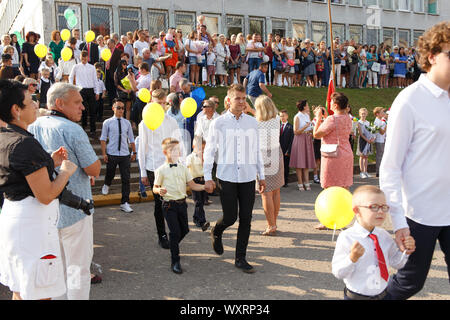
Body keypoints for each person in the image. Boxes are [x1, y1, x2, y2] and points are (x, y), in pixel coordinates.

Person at [380, 21, 450, 300]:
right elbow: (390, 166)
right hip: (419, 213)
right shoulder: (409, 100)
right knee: (410, 283)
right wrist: (398, 222)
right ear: (431, 56)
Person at [0, 80, 78, 300]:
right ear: (16, 110)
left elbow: (18, 175)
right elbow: (45, 195)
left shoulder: (6, 137)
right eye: (30, 101)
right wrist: (65, 171)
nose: (36, 105)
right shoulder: (24, 143)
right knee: (40, 293)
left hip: (16, 223)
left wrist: (48, 163)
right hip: (32, 229)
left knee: (21, 290)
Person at [28, 82, 100, 300]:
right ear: (59, 103)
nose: (83, 107)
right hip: (76, 212)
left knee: (54, 268)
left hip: (45, 210)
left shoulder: (32, 126)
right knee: (77, 269)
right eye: (77, 102)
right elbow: (94, 168)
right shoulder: (73, 130)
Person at [204, 84, 266, 274]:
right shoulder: (219, 123)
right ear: (228, 100)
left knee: (246, 218)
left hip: (247, 177)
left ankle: (240, 258)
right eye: (238, 98)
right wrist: (207, 177)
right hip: (227, 176)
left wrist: (261, 176)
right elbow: (209, 151)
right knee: (230, 217)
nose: (242, 102)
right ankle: (217, 230)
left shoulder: (253, 123)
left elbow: (256, 151)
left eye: (244, 98)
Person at [332, 185, 415, 300]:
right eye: (374, 207)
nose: (381, 211)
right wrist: (352, 258)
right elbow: (338, 272)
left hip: (384, 295)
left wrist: (405, 251)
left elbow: (396, 263)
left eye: (384, 207)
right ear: (357, 210)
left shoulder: (384, 236)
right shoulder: (347, 237)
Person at [138, 89, 183, 251]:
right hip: (153, 167)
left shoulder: (171, 121)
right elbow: (142, 149)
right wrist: (143, 172)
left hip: (170, 166)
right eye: (159, 103)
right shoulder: (144, 123)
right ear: (151, 102)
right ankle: (162, 234)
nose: (162, 106)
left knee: (172, 201)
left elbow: (178, 143)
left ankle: (174, 230)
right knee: (160, 203)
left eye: (165, 103)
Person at [153, 138, 206, 274]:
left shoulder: (183, 168)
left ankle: (173, 245)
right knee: (175, 232)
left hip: (182, 204)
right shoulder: (161, 170)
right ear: (165, 152)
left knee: (185, 230)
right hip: (169, 205)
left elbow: (192, 185)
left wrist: (205, 186)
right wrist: (159, 190)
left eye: (177, 150)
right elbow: (155, 187)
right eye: (172, 150)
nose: (176, 152)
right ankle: (175, 261)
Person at [313, 92, 353, 230]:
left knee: (329, 187)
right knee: (344, 187)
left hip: (333, 155)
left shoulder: (331, 119)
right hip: (346, 153)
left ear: (335, 105)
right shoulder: (348, 118)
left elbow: (316, 134)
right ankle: (344, 219)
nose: (329, 104)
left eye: (331, 103)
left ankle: (327, 219)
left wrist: (318, 118)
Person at [254, 95, 284, 236]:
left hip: (263, 156)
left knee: (266, 193)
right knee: (276, 191)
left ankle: (271, 224)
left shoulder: (256, 123)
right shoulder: (277, 119)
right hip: (276, 153)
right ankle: (274, 222)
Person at [100, 98, 136, 213]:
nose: (121, 110)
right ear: (113, 108)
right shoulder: (107, 123)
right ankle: (107, 184)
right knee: (110, 173)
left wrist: (134, 152)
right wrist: (104, 153)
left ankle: (125, 202)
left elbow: (131, 138)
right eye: (118, 108)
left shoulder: (127, 123)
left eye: (122, 108)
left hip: (125, 154)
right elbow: (103, 139)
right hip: (112, 153)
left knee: (126, 179)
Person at [69, 51, 98, 137]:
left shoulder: (92, 67)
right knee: (83, 110)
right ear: (80, 58)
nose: (84, 60)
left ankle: (93, 130)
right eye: (82, 58)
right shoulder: (76, 66)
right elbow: (71, 77)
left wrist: (97, 92)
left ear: (87, 58)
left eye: (85, 58)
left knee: (93, 110)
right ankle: (84, 128)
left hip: (90, 90)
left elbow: (95, 80)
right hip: (81, 90)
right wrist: (73, 88)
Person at [289, 100, 316, 191]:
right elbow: (295, 131)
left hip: (307, 138)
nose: (308, 106)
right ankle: (300, 182)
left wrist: (311, 130)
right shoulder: (297, 117)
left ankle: (307, 182)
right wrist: (305, 127)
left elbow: (309, 127)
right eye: (307, 105)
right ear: (304, 107)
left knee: (306, 162)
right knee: (299, 162)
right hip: (300, 139)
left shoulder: (307, 115)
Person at [186, 138, 210, 231]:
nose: (202, 150)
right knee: (198, 201)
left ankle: (196, 218)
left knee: (202, 201)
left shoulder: (204, 157)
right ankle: (201, 221)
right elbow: (187, 166)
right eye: (200, 148)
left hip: (203, 180)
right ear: (193, 147)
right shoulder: (190, 157)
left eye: (203, 148)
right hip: (195, 181)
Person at [356, 108, 374, 179]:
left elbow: (371, 132)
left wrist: (372, 138)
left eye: (364, 113)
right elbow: (360, 133)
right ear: (360, 114)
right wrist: (367, 139)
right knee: (362, 155)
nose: (363, 115)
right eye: (362, 114)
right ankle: (362, 172)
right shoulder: (359, 122)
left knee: (366, 156)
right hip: (362, 140)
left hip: (368, 140)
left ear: (367, 114)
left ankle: (366, 171)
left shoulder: (368, 123)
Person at [279, 109, 294, 188]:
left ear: (287, 116)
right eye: (280, 116)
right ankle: (279, 181)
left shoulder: (290, 127)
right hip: (278, 150)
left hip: (286, 150)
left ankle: (285, 181)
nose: (282, 117)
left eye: (283, 116)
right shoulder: (278, 126)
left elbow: (292, 140)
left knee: (285, 166)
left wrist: (289, 150)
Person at [373, 107, 387, 178]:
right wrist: (386, 126)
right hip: (379, 140)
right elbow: (381, 132)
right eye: (382, 112)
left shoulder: (381, 121)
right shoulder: (377, 121)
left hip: (382, 140)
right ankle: (378, 171)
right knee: (379, 156)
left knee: (382, 155)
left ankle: (381, 170)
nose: (383, 114)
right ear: (377, 114)